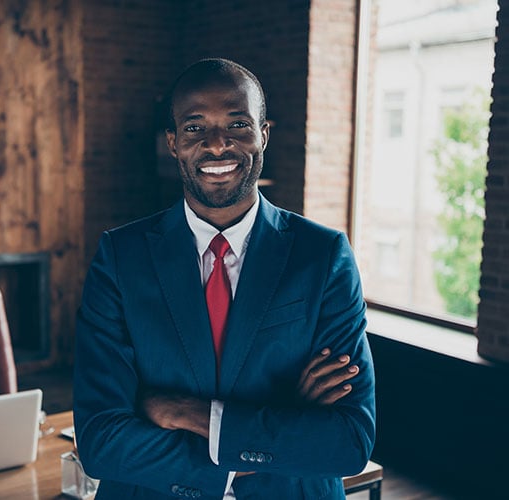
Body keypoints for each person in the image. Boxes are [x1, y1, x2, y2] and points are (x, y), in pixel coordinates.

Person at [74, 58, 375, 500]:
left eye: (237, 124)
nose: (218, 145)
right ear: (174, 143)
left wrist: (186, 413)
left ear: (263, 134)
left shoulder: (323, 255)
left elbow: (348, 441)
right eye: (195, 128)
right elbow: (101, 441)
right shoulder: (121, 257)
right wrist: (283, 419)